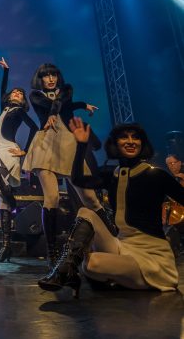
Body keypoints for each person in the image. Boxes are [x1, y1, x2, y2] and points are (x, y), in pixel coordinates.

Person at [39, 118, 184, 297]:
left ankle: (76, 274)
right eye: (124, 137)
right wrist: (81, 145)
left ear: (142, 143)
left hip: (152, 256)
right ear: (115, 143)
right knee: (85, 212)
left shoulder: (157, 175)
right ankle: (66, 270)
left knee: (93, 264)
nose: (131, 141)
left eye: (136, 138)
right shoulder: (112, 174)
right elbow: (78, 180)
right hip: (123, 245)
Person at [21, 63, 108, 270]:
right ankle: (52, 252)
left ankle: (112, 234)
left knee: (91, 199)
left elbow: (63, 103)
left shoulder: (66, 89)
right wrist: (53, 113)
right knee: (52, 198)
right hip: (45, 144)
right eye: (46, 76)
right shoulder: (34, 95)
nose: (50, 78)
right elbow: (50, 106)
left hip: (68, 143)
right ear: (40, 79)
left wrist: (82, 104)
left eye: (53, 75)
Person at [0, 57, 38, 262]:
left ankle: (5, 189)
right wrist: (6, 71)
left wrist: (26, 151)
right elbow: (1, 91)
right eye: (14, 92)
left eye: (20, 94)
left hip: (9, 150)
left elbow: (34, 128)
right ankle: (6, 247)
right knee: (4, 203)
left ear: (23, 101)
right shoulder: (5, 108)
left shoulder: (19, 111)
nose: (16, 94)